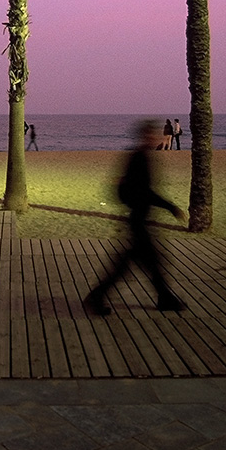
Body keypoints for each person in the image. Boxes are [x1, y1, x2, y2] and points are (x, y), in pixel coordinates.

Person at [85, 119, 186, 315]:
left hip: (138, 219)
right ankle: (97, 297)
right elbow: (144, 191)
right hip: (138, 220)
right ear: (144, 136)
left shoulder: (140, 156)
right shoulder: (139, 158)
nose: (156, 137)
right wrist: (170, 207)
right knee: (138, 264)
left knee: (142, 263)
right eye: (152, 134)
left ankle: (164, 297)